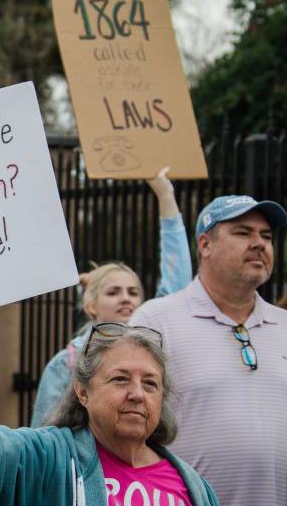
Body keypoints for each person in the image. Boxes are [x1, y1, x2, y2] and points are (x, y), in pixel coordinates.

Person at [0, 298, 218, 505]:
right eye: (120, 379)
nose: (137, 393)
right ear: (82, 392)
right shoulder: (47, 458)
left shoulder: (195, 488)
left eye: (151, 384)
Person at [130, 194, 287, 505]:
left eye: (266, 236)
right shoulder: (155, 320)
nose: (259, 243)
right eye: (242, 232)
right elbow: (126, 430)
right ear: (205, 245)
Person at [30, 168, 192, 427]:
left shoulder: (151, 339)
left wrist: (166, 196)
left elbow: (177, 282)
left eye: (133, 292)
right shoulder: (65, 364)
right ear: (91, 305)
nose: (126, 298)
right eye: (113, 292)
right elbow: (43, 434)